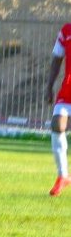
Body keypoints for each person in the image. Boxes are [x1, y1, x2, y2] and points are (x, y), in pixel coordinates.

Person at [46, 22, 71, 197]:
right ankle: (63, 176)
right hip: (67, 90)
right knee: (57, 124)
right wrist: (49, 86)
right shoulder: (66, 31)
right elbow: (56, 59)